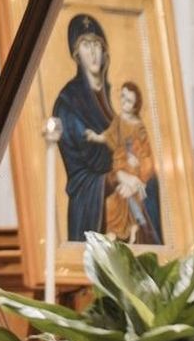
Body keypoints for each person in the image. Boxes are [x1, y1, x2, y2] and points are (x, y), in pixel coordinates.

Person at [51, 13, 149, 242]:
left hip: (126, 201)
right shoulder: (69, 102)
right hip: (91, 210)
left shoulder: (112, 99)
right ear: (76, 54)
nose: (93, 52)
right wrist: (116, 177)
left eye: (97, 44)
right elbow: (81, 172)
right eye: (85, 45)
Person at [86, 81, 162, 245]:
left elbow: (145, 152)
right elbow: (109, 135)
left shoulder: (138, 126)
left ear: (135, 106)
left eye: (128, 101)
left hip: (133, 167)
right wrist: (95, 137)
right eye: (122, 97)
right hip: (120, 163)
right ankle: (116, 232)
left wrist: (137, 169)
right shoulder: (119, 120)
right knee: (114, 200)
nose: (123, 103)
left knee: (128, 194)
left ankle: (133, 228)